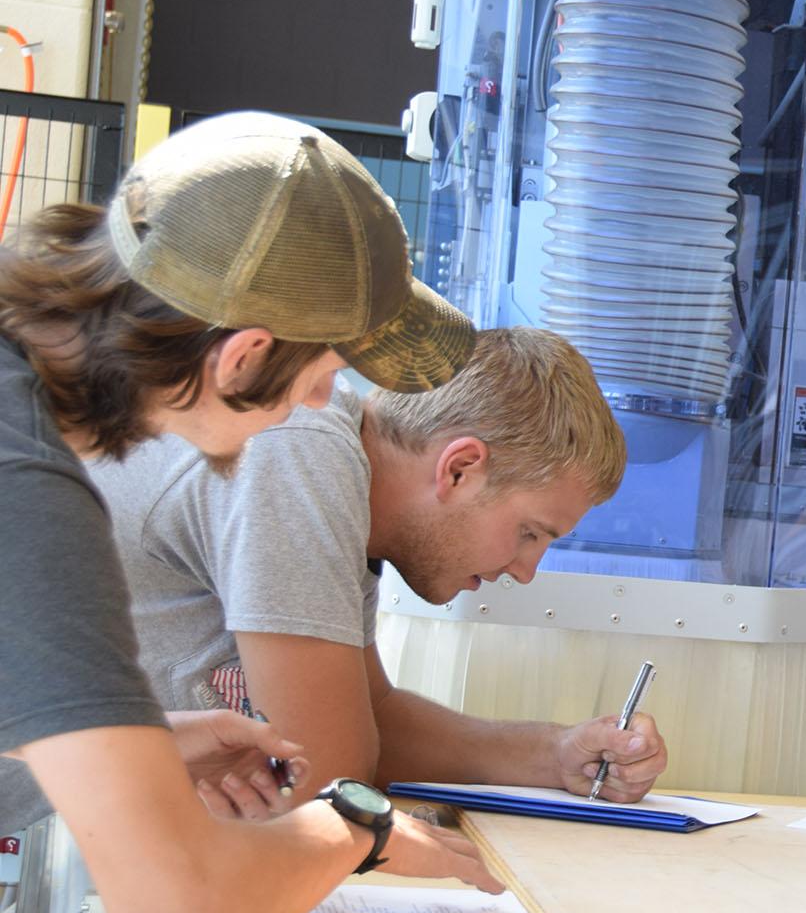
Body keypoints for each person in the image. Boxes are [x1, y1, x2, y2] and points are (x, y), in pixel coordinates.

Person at [1, 112, 502, 913]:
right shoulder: (30, 487)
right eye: (324, 374)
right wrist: (355, 825)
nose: (320, 406)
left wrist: (141, 744)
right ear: (242, 359)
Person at [0, 326, 666, 830]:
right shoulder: (301, 444)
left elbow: (370, 718)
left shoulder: (349, 488)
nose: (525, 571)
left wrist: (556, 753)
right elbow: (332, 771)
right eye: (531, 532)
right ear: (459, 468)